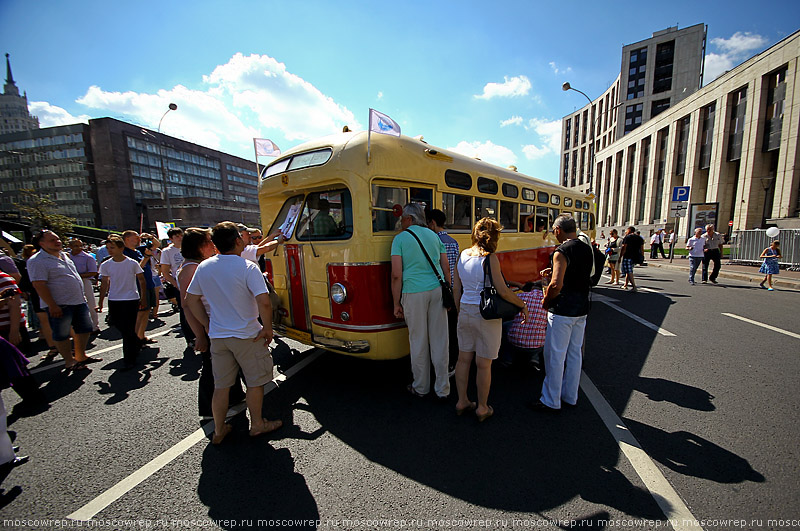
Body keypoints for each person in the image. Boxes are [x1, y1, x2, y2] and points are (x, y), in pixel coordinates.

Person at [185, 222, 282, 445]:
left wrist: (207, 325)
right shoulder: (247, 267)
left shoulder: (204, 267)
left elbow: (190, 301)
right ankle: (257, 423)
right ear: (238, 241)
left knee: (221, 386)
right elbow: (264, 302)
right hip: (247, 334)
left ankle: (219, 430)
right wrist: (267, 328)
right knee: (255, 382)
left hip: (219, 336)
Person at [453, 218, 528, 421]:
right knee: (484, 364)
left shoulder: (463, 255)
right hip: (486, 314)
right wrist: (521, 304)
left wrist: (460, 311)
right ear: (494, 236)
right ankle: (482, 407)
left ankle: (462, 401)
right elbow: (503, 291)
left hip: (466, 311)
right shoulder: (490, 258)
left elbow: (456, 288)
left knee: (463, 359)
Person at [178, 228, 246, 417]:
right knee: (211, 366)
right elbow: (187, 305)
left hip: (212, 322)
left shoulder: (198, 265)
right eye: (209, 241)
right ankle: (209, 409)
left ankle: (233, 397)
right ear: (198, 246)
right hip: (204, 324)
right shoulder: (190, 269)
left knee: (224, 363)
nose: (213, 245)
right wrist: (200, 333)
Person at [529, 215, 592, 412]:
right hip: (581, 308)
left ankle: (551, 400)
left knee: (555, 355)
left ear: (558, 230)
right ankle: (570, 395)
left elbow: (556, 285)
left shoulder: (561, 251)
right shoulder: (586, 247)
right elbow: (579, 273)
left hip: (563, 309)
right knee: (574, 354)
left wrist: (547, 301)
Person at [391, 203, 451, 400]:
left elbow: (396, 275)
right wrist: (448, 292)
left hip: (413, 292)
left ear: (409, 219)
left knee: (418, 340)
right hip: (436, 291)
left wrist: (396, 303)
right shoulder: (434, 236)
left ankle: (421, 387)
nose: (400, 222)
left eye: (402, 219)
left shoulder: (399, 239)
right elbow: (446, 268)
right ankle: (443, 389)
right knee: (440, 340)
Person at [27, 230, 102, 372]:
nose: (57, 242)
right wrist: (52, 305)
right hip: (59, 304)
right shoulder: (37, 261)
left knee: (85, 329)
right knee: (62, 334)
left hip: (78, 301)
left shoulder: (64, 256)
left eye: (57, 239)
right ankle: (69, 361)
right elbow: (39, 284)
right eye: (52, 240)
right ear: (41, 244)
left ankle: (81, 356)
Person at [98, 236, 147, 370]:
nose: (109, 250)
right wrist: (101, 301)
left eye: (112, 247)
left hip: (130, 298)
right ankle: (136, 342)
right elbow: (104, 284)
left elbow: (141, 280)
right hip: (114, 299)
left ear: (121, 248)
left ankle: (129, 359)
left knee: (128, 329)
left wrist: (143, 298)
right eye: (108, 248)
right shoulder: (106, 264)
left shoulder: (132, 263)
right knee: (117, 324)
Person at [427, 208, 459, 376]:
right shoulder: (453, 242)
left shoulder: (433, 242)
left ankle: (440, 365)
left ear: (432, 222)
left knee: (438, 331)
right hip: (452, 292)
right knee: (451, 330)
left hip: (437, 290)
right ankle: (452, 364)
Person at [501, 281, 545, 370]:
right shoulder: (547, 299)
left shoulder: (520, 296)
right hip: (537, 346)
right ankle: (535, 358)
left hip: (514, 343)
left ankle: (507, 358)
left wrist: (518, 285)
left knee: (504, 326)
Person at [67, 238, 100, 333]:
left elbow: (93, 272)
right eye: (76, 246)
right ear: (70, 247)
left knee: (90, 304)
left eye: (81, 245)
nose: (79, 248)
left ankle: (94, 326)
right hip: (70, 283)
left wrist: (77, 275)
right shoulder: (66, 257)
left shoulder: (88, 257)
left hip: (85, 281)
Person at [619, 226, 644, 292]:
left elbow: (624, 248)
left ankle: (634, 287)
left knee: (629, 271)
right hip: (635, 257)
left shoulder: (627, 237)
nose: (626, 232)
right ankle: (625, 285)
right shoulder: (639, 238)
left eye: (626, 231)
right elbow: (642, 249)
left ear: (629, 230)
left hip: (628, 256)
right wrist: (642, 257)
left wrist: (620, 256)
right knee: (629, 270)